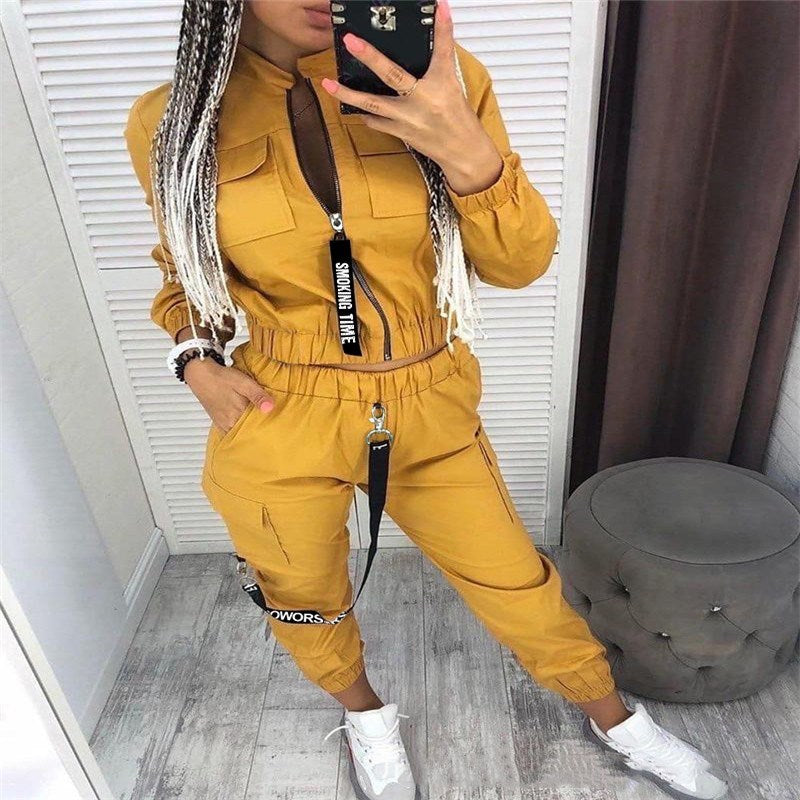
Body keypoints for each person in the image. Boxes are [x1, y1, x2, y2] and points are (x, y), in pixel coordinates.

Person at [124, 2, 727, 798]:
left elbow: (518, 264)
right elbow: (183, 268)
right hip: (277, 408)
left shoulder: (441, 79)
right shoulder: (173, 119)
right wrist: (194, 358)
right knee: (300, 592)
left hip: (427, 397)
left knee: (516, 585)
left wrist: (465, 148)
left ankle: (614, 718)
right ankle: (365, 715)